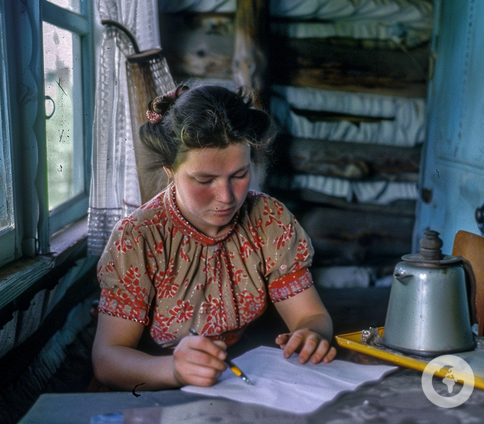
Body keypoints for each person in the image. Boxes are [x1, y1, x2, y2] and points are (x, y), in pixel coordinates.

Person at [92, 84, 336, 391]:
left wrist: (310, 335)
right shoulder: (137, 238)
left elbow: (311, 316)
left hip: (238, 377)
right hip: (151, 381)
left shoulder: (268, 219)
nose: (227, 196)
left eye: (240, 175)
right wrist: (174, 370)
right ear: (169, 169)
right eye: (204, 180)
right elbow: (107, 359)